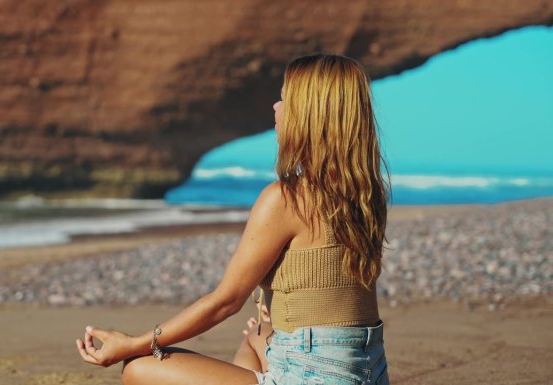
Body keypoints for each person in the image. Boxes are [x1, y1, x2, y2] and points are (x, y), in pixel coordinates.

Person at [76, 52, 391, 385]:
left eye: (284, 99)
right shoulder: (367, 197)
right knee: (255, 337)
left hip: (313, 375)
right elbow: (330, 293)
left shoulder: (286, 198)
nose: (275, 107)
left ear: (308, 116)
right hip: (367, 371)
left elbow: (224, 302)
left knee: (139, 368)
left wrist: (136, 343)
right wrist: (273, 314)